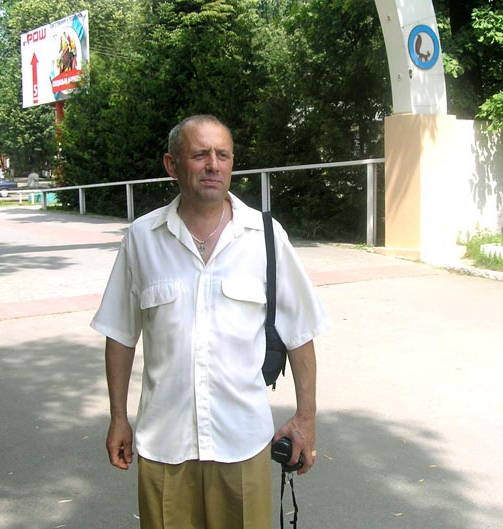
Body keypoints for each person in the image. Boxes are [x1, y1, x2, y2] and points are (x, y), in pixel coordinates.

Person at [91, 115, 328, 529]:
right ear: (172, 164)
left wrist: (305, 418)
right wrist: (118, 417)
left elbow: (300, 333)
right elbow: (121, 335)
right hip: (165, 445)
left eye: (223, 155)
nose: (213, 165)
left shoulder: (265, 237)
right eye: (200, 154)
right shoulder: (142, 238)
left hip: (242, 443)